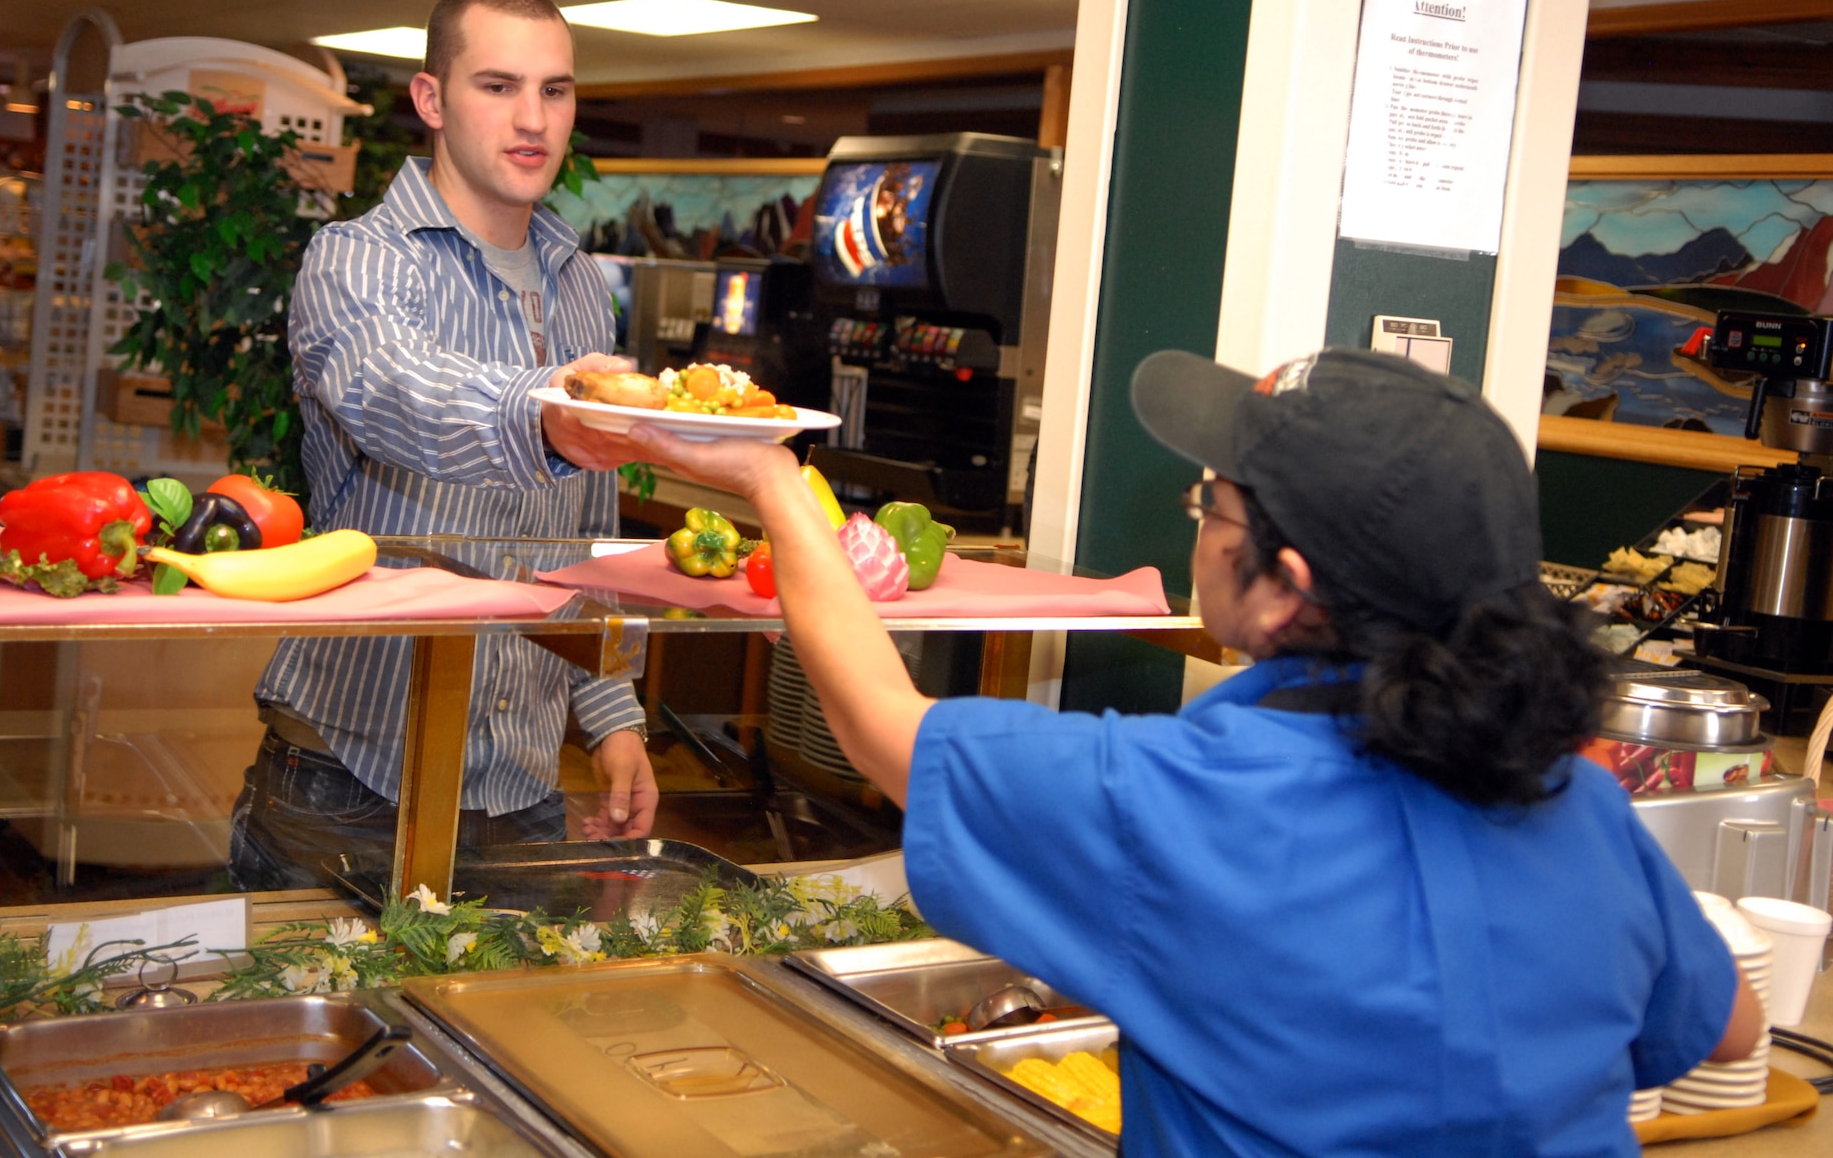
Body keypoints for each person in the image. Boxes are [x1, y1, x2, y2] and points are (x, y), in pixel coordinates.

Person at [626, 347, 1764, 1157]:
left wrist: (771, 478)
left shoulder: (1179, 803)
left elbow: (879, 716)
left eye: (1213, 503)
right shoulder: (1576, 803)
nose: (1199, 521)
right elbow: (1722, 1026)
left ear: (1287, 585)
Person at [230, 0, 657, 892]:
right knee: (323, 1035)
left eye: (555, 89)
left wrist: (613, 712)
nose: (532, 118)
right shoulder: (357, 259)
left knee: (493, 1039)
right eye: (497, 86)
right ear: (431, 98)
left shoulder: (580, 284)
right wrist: (545, 408)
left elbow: (581, 531)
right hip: (346, 782)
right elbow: (400, 392)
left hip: (522, 785)